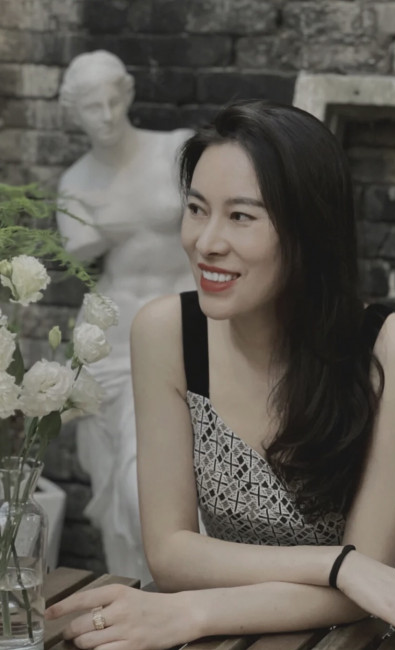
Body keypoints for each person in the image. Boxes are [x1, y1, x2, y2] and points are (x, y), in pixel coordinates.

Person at [47, 101, 395, 650]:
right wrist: (338, 566)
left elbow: (368, 588)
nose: (206, 242)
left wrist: (194, 612)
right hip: (249, 630)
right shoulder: (166, 333)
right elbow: (171, 554)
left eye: (241, 217)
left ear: (308, 230)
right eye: (197, 209)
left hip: (382, 628)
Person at [55, 50, 194, 583]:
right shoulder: (76, 181)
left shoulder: (176, 149)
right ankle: (132, 590)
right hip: (113, 337)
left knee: (155, 483)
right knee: (118, 484)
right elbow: (77, 248)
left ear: (129, 93)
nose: (107, 116)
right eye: (93, 107)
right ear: (75, 113)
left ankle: (177, 593)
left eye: (114, 101)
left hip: (184, 327)